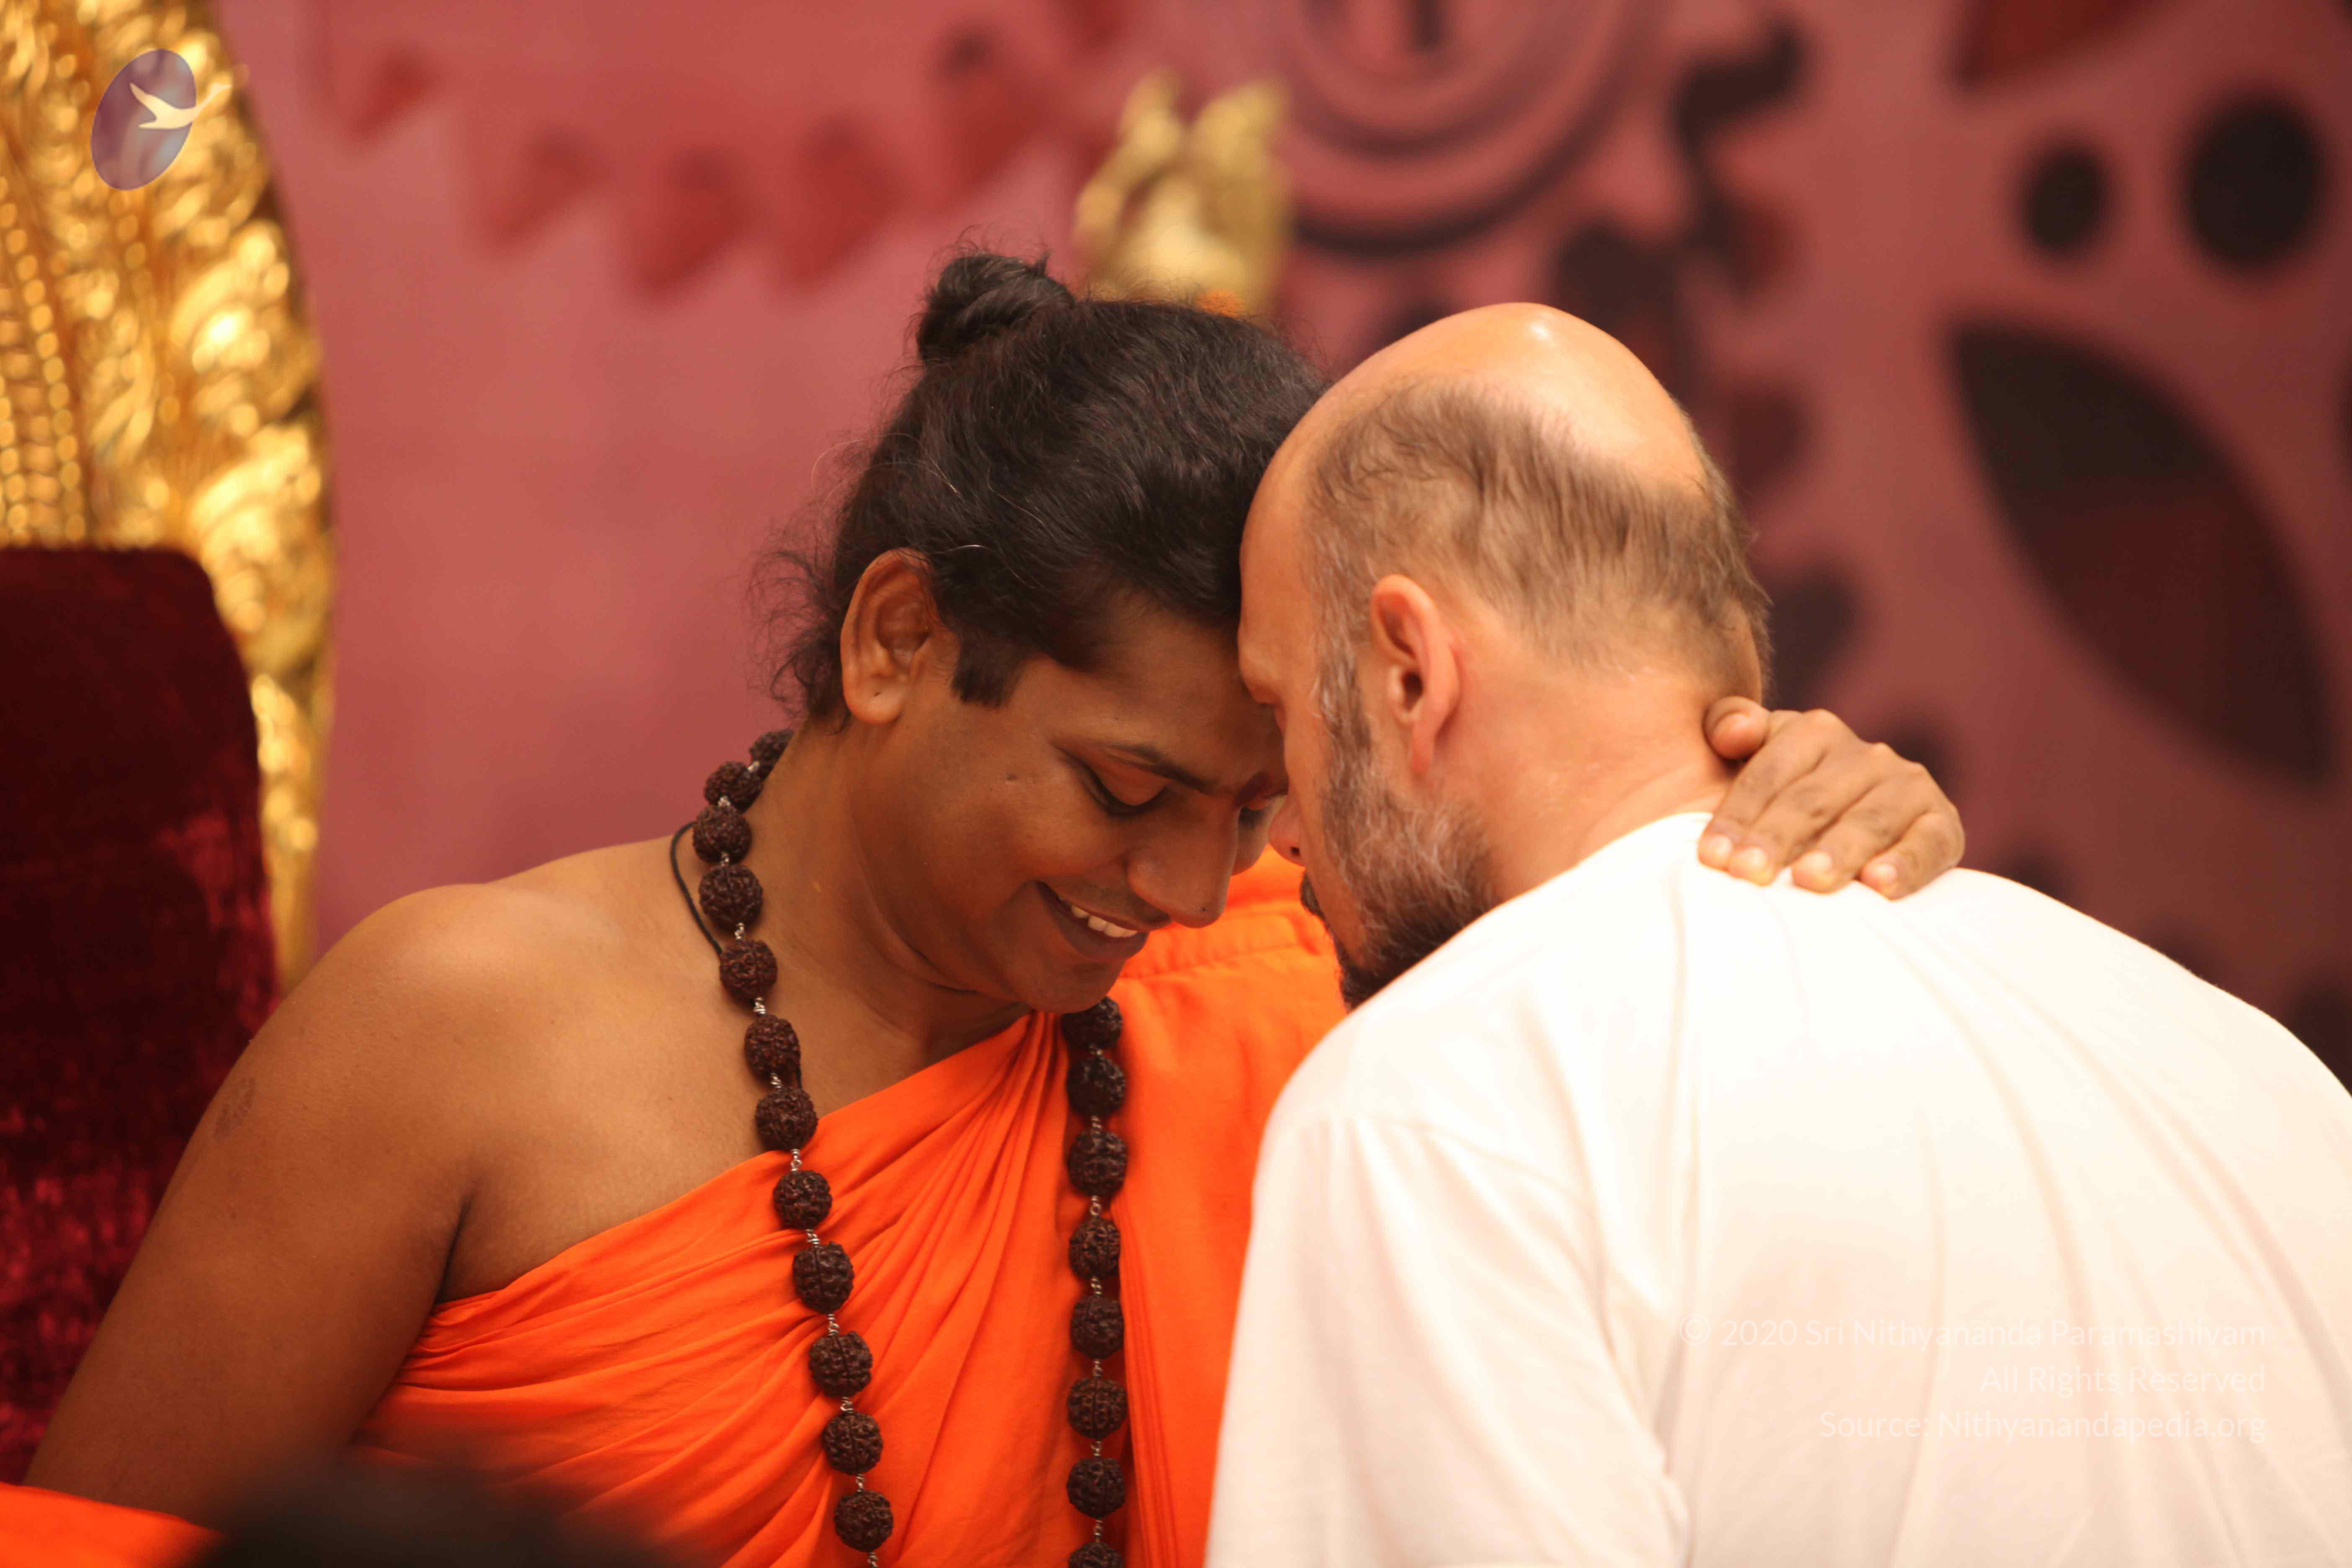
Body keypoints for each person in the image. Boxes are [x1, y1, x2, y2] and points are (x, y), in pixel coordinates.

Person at [10, 257, 1965, 1568]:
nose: (1188, 890)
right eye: (1126, 791)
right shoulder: (453, 1032)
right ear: (896, 641)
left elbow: (1682, 1051)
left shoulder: (1299, 995)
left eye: (1252, 808)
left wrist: (1795, 812)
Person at [1207, 302, 2352, 1565]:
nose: (1280, 835)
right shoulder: (2260, 1075)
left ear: (1411, 673)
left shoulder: (1431, 1114)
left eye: (1281, 712)